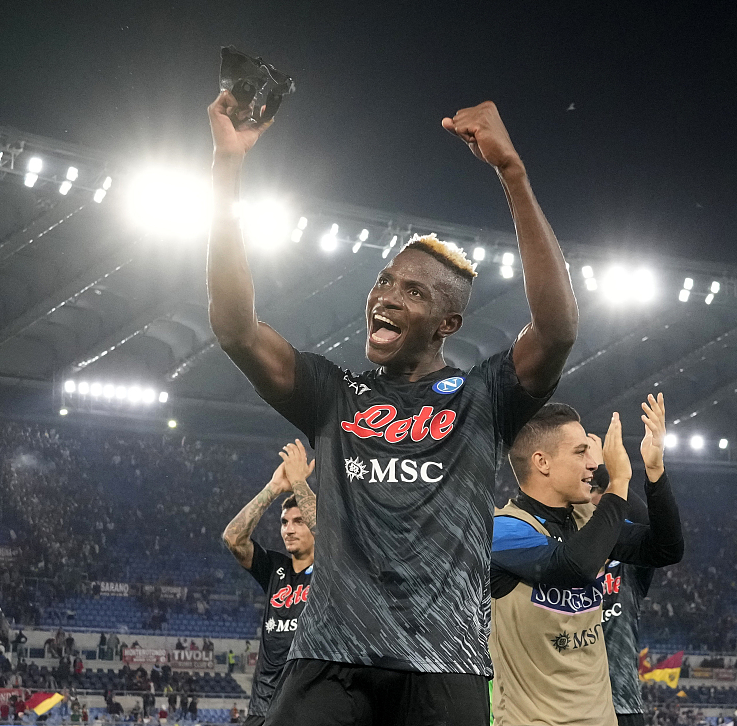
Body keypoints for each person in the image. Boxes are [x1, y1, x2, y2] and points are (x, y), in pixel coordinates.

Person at [207, 85, 578, 725]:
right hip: (330, 661)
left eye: (413, 290)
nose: (386, 295)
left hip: (445, 666)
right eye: (384, 281)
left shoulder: (481, 397)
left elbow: (557, 331)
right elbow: (237, 328)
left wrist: (511, 172)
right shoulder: (332, 395)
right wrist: (228, 168)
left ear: (448, 323)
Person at [488, 395, 683, 726]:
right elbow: (572, 568)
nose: (594, 464)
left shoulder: (585, 517)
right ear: (542, 462)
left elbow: (665, 549)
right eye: (580, 453)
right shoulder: (502, 529)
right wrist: (617, 482)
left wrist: (654, 471)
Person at [223, 443, 316, 726]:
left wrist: (300, 483)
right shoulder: (275, 567)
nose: (289, 528)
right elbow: (233, 539)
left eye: (299, 521)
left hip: (308, 706)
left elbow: (331, 534)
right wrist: (274, 488)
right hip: (263, 708)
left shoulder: (331, 570)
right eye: (285, 522)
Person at [590, 445, 657, 726]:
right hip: (574, 705)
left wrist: (605, 471)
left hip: (623, 706)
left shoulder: (627, 569)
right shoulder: (561, 562)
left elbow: (649, 526)